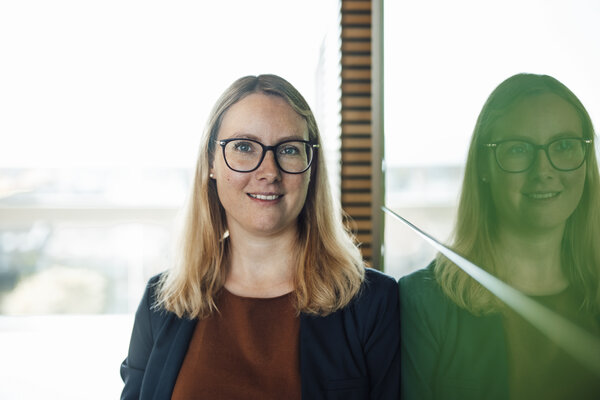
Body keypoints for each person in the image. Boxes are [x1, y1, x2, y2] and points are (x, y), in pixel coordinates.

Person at [120, 74, 400, 400]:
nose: (269, 171)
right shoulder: (162, 301)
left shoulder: (372, 303)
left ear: (312, 167)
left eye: (290, 149)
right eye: (243, 147)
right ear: (211, 162)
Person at [399, 73, 600, 400]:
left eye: (564, 146)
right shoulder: (423, 303)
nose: (543, 170)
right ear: (484, 166)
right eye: (519, 149)